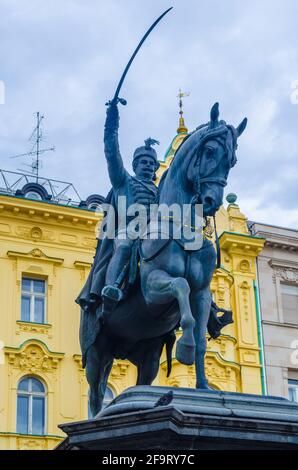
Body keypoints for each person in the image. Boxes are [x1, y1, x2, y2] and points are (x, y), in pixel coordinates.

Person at [100, 101, 160, 312]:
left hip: (154, 234)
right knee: (125, 246)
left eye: (152, 164)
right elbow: (111, 151)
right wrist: (112, 120)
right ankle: (111, 289)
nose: (148, 166)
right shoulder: (123, 180)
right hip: (129, 230)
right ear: (135, 165)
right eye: (144, 162)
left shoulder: (160, 192)